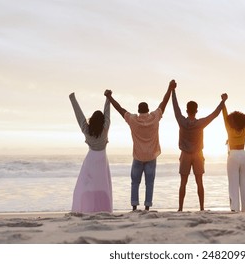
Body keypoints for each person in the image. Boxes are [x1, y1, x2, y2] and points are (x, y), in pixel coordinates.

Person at [105, 80, 175, 211]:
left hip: (138, 157)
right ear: (148, 110)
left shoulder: (133, 120)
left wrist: (109, 97)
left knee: (135, 182)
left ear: (138, 110)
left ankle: (134, 206)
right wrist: (170, 88)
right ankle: (147, 206)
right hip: (151, 156)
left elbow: (120, 109)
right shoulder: (154, 117)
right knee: (150, 183)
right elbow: (164, 103)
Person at [171, 81, 227, 211]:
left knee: (183, 183)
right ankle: (201, 208)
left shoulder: (181, 121)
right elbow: (215, 114)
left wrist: (173, 91)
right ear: (196, 111)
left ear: (187, 110)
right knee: (199, 182)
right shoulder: (200, 123)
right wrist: (223, 101)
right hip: (197, 155)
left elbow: (175, 107)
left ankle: (180, 208)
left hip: (185, 154)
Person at [68, 91, 113, 213]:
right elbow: (107, 113)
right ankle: (103, 208)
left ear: (92, 120)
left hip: (91, 159)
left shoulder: (87, 130)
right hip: (102, 159)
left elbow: (80, 116)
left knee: (88, 185)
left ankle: (88, 207)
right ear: (103, 120)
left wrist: (72, 99)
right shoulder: (105, 129)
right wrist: (108, 98)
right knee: (103, 185)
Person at [222, 98, 245, 212]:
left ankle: (234, 209)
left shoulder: (229, 128)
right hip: (243, 156)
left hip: (232, 156)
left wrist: (223, 102)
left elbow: (224, 115)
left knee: (233, 184)